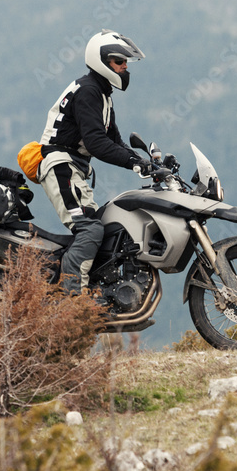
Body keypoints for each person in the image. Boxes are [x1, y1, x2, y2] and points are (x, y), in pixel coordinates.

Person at [35, 29, 153, 295]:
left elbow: (114, 141)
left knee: (103, 226)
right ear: (101, 61)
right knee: (89, 228)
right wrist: (134, 164)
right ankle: (71, 297)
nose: (124, 67)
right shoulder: (89, 91)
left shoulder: (101, 94)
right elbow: (97, 143)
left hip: (72, 168)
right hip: (60, 166)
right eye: (119, 61)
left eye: (126, 62)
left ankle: (97, 288)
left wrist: (146, 163)